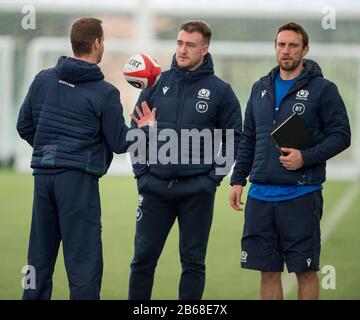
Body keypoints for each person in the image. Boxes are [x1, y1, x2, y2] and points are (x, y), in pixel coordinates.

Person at [16, 17, 155, 300]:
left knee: (38, 260)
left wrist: (50, 150)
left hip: (43, 178)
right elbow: (119, 142)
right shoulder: (105, 93)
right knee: (83, 263)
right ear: (96, 43)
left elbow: (24, 126)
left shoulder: (43, 78)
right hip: (77, 182)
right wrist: (145, 129)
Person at [230, 22, 351, 300]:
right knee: (268, 271)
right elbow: (249, 138)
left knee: (305, 270)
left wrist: (305, 157)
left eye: (293, 45)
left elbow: (342, 135)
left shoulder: (324, 90)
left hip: (301, 195)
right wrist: (238, 181)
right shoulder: (260, 88)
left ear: (305, 49)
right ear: (275, 47)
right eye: (281, 45)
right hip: (260, 196)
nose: (286, 51)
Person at [128, 20, 242, 300]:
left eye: (190, 45)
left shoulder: (220, 91)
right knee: (142, 260)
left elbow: (234, 139)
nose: (182, 49)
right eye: (179, 43)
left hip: (197, 192)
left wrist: (212, 180)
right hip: (155, 188)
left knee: (192, 263)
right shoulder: (156, 85)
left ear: (204, 49)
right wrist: (142, 174)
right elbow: (135, 130)